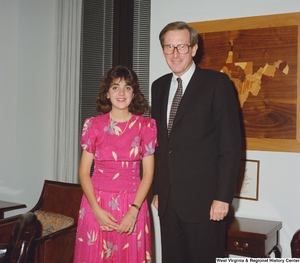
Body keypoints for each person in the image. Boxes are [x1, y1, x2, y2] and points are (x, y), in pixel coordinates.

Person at [151, 21, 241, 263]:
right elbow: (159, 146)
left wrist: (223, 197)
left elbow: (230, 147)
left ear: (194, 49)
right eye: (169, 47)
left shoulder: (217, 84)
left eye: (181, 46)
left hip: (205, 203)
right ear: (163, 50)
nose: (175, 53)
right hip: (168, 204)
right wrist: (157, 191)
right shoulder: (158, 87)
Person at [73, 65, 157, 263]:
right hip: (97, 204)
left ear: (133, 93)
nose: (121, 93)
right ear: (107, 93)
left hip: (133, 206)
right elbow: (84, 172)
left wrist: (134, 211)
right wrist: (96, 210)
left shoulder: (146, 127)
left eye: (127, 87)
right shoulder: (93, 126)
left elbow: (148, 174)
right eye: (115, 87)